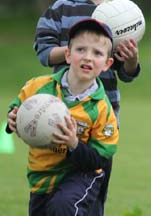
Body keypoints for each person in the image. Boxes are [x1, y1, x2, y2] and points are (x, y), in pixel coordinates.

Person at [33, 0, 140, 215]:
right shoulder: (60, 9)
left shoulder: (123, 16)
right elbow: (44, 52)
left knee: (93, 186)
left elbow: (127, 74)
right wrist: (75, 52)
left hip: (103, 114)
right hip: (60, 111)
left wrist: (130, 60)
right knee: (55, 182)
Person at [6, 18, 119, 216]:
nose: (88, 57)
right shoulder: (38, 87)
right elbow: (17, 108)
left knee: (64, 207)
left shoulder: (102, 110)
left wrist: (74, 144)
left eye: (97, 53)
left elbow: (100, 159)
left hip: (80, 173)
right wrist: (13, 119)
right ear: (67, 54)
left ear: (107, 64)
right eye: (81, 50)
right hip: (41, 175)